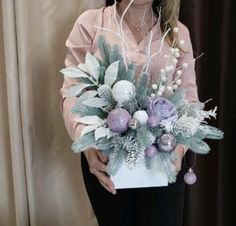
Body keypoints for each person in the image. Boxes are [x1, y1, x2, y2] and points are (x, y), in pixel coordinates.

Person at [60, 0, 199, 225]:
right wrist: (87, 146)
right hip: (105, 157)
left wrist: (180, 149)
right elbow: (73, 91)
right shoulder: (91, 24)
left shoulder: (177, 33)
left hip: (162, 157)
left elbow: (189, 100)